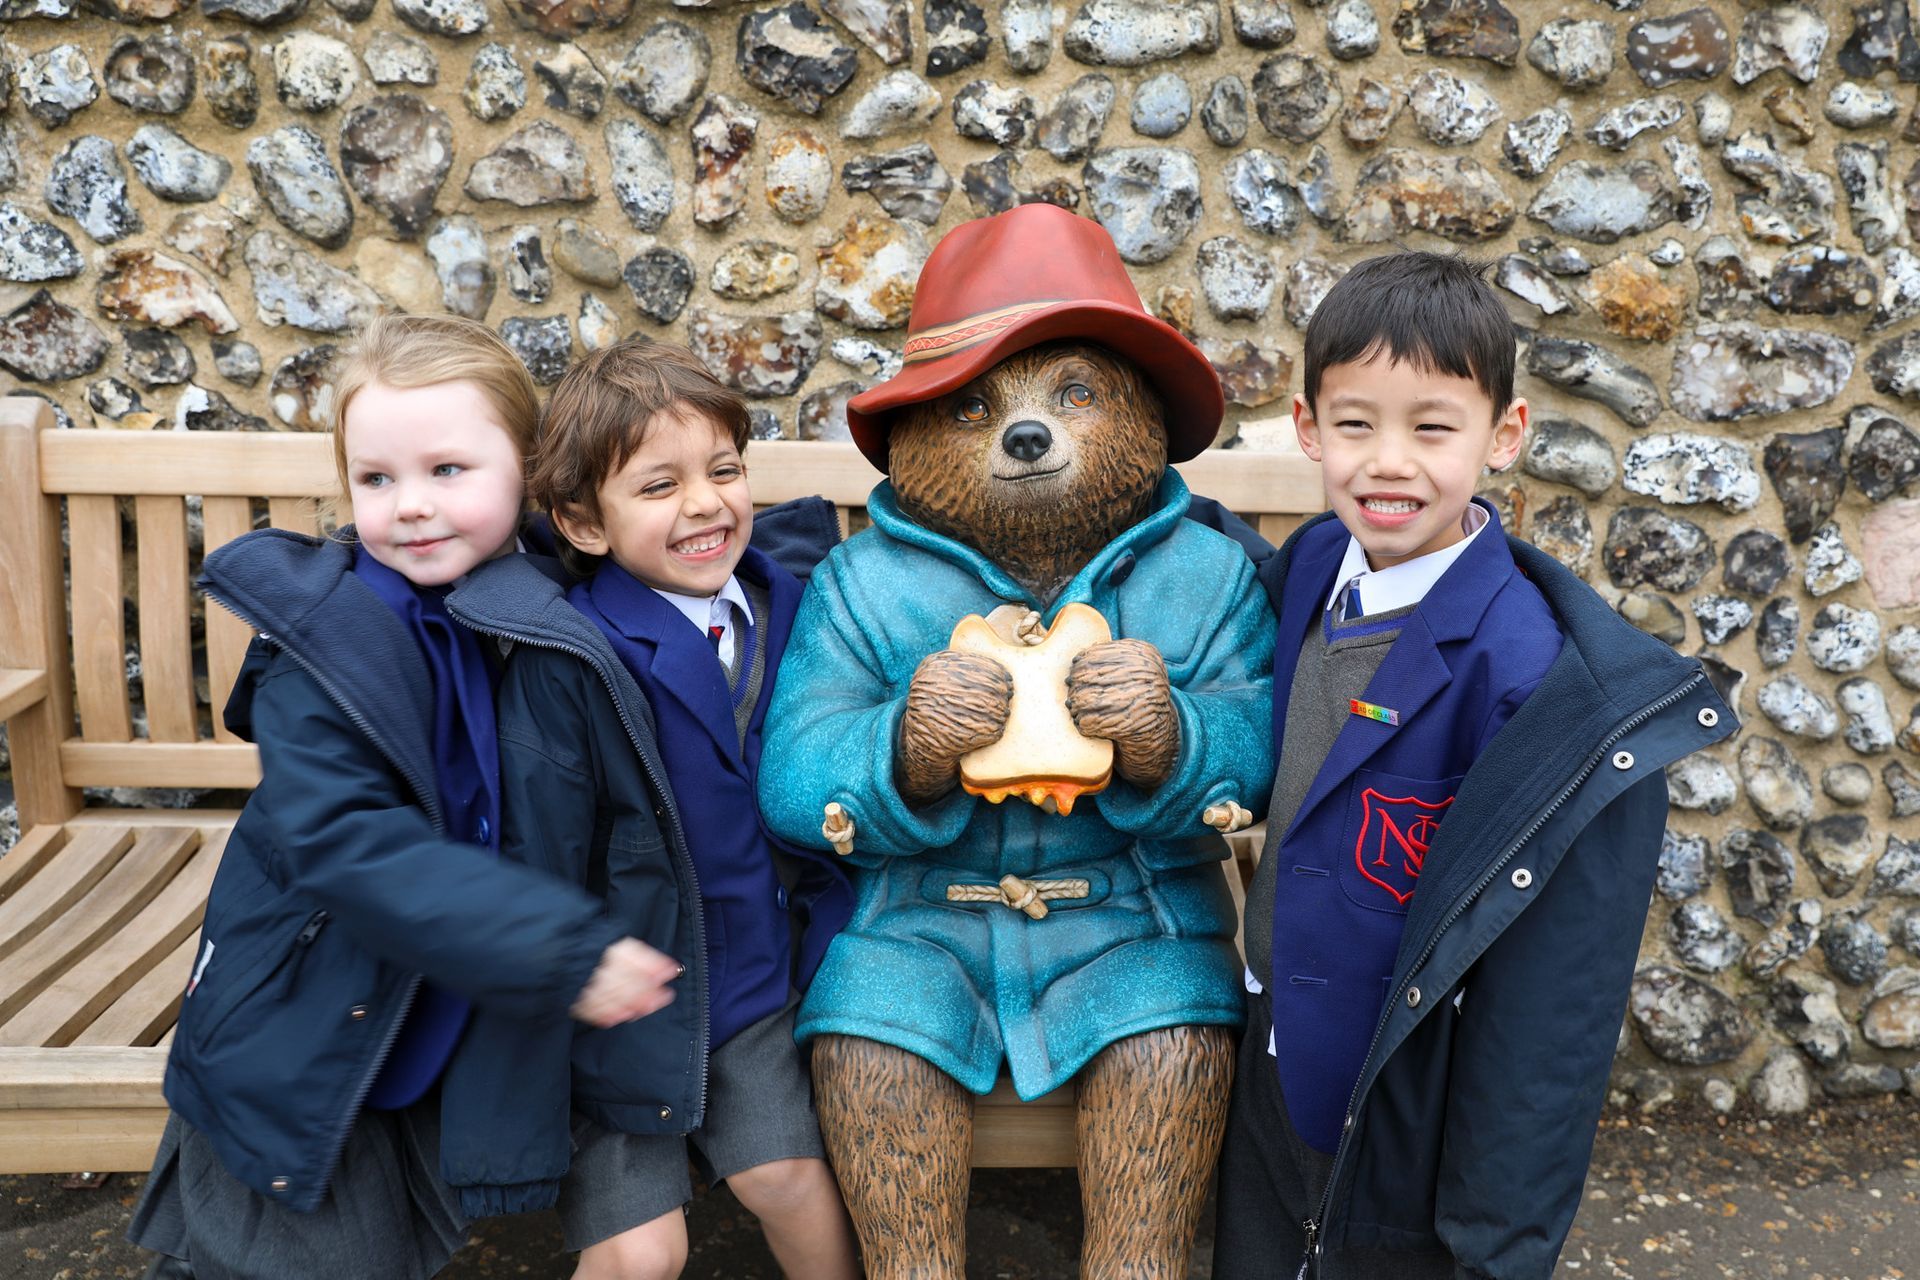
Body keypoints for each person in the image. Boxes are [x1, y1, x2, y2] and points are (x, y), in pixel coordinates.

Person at [1215, 252, 1736, 1280]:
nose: (1388, 462)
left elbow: (1550, 1011)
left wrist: (1496, 1243)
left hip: (1398, 1106)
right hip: (1272, 1048)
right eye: (1356, 424)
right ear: (1307, 426)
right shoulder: (1314, 565)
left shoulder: (1534, 683)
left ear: (1505, 435)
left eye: (1432, 427)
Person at [130, 313, 680, 1280]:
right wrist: (555, 947)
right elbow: (341, 839)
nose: (410, 507)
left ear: (529, 468)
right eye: (376, 479)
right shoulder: (327, 642)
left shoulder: (540, 600)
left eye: (447, 471)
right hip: (308, 1005)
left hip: (436, 993)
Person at [448, 336, 859, 1280]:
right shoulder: (572, 655)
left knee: (789, 1183)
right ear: (585, 526)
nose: (707, 503)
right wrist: (565, 967)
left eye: (723, 470)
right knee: (642, 1253)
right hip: (622, 1007)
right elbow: (538, 844)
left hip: (754, 985)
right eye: (660, 486)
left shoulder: (793, 607)